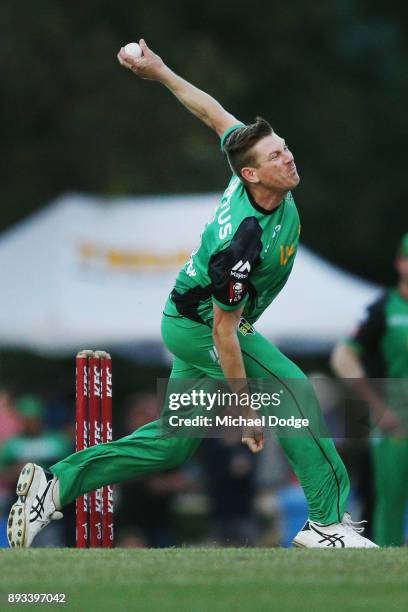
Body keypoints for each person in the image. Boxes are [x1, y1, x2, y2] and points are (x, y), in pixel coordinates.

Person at [7, 39, 377, 549]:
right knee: (292, 390)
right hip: (203, 327)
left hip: (188, 324)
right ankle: (326, 524)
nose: (289, 158)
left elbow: (213, 113)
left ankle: (56, 483)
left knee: (171, 446)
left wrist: (160, 70)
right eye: (276, 155)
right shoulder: (241, 243)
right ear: (252, 174)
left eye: (285, 147)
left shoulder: (246, 167)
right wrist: (245, 409)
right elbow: (225, 330)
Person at [331, 233, 408, 546]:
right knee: (388, 502)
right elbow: (343, 356)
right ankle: (387, 567)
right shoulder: (384, 308)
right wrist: (377, 407)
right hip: (394, 420)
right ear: (401, 263)